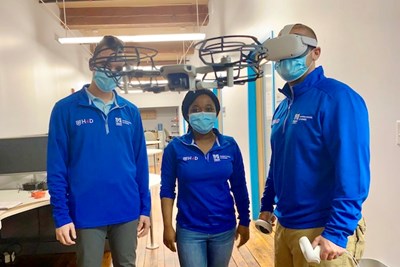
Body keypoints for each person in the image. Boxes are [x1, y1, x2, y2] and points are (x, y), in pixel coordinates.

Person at [259, 23, 370, 267]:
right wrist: (267, 205)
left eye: (294, 53)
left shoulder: (338, 99)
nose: (286, 62)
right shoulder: (283, 107)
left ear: (315, 52)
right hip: (286, 226)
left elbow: (353, 172)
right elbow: (278, 162)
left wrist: (337, 231)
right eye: (281, 56)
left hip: (324, 231)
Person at [47, 36, 151, 267]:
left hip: (127, 208)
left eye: (118, 67)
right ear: (92, 64)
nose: (111, 71)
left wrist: (145, 208)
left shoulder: (130, 112)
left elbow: (140, 165)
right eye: (106, 64)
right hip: (86, 211)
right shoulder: (66, 110)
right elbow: (56, 168)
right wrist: (61, 216)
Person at [160, 89, 250, 267]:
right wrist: (168, 226)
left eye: (208, 108)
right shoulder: (175, 148)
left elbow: (239, 186)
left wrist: (245, 221)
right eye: (195, 109)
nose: (202, 113)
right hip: (189, 230)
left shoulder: (229, 145)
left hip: (224, 227)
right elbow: (167, 190)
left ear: (216, 112)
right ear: (187, 114)